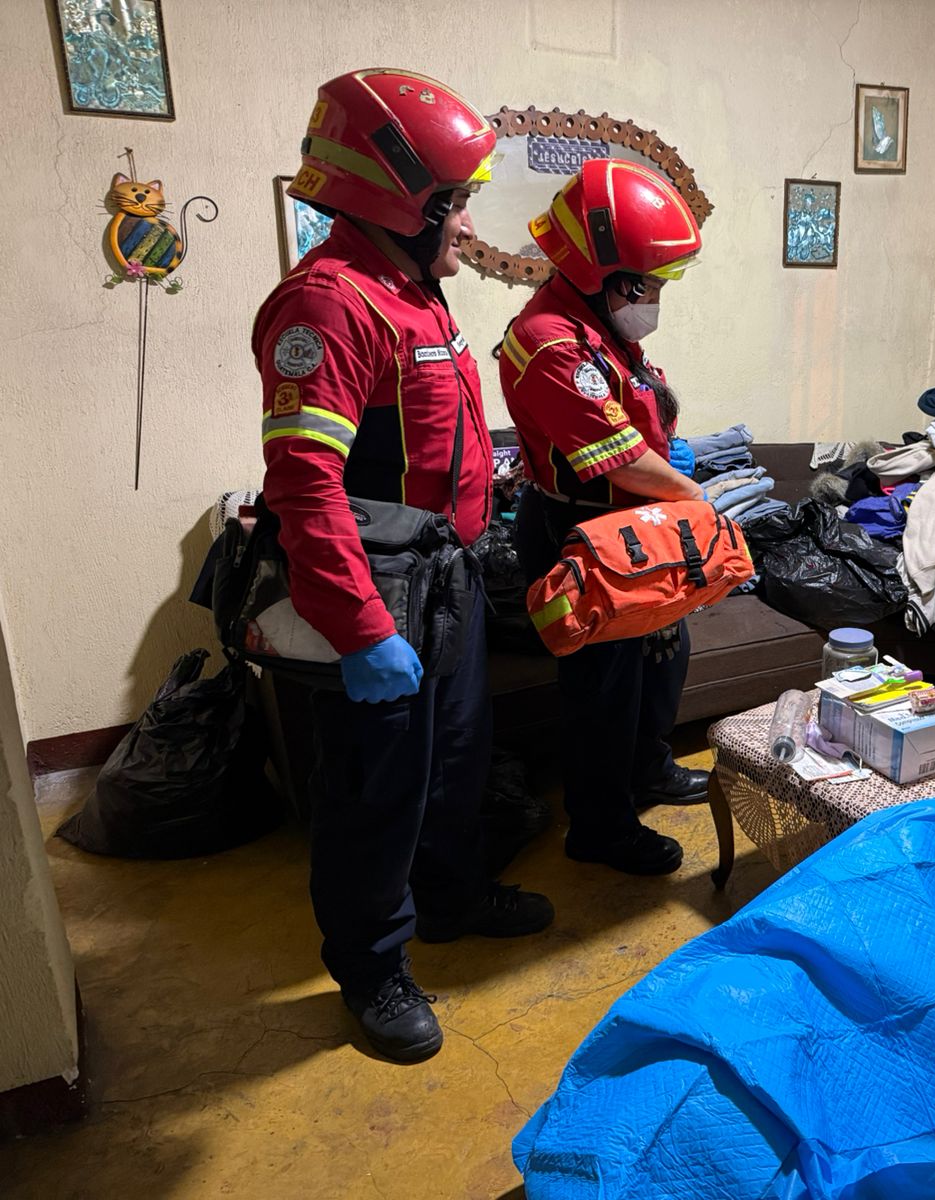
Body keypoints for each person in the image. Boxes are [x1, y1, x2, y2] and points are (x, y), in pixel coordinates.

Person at [253, 69, 553, 1064]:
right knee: (374, 792)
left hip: (450, 577)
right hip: (380, 600)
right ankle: (372, 969)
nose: (467, 218)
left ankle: (454, 902)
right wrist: (362, 630)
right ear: (402, 198)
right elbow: (305, 484)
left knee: (455, 765)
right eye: (456, 199)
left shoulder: (412, 293)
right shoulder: (330, 304)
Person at [498, 158, 711, 876]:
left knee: (660, 659)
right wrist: (693, 496)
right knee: (603, 688)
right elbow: (618, 460)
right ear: (605, 273)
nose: (655, 296)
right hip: (582, 530)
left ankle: (649, 770)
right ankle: (600, 825)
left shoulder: (603, 330)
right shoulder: (551, 342)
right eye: (649, 282)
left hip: (637, 523)